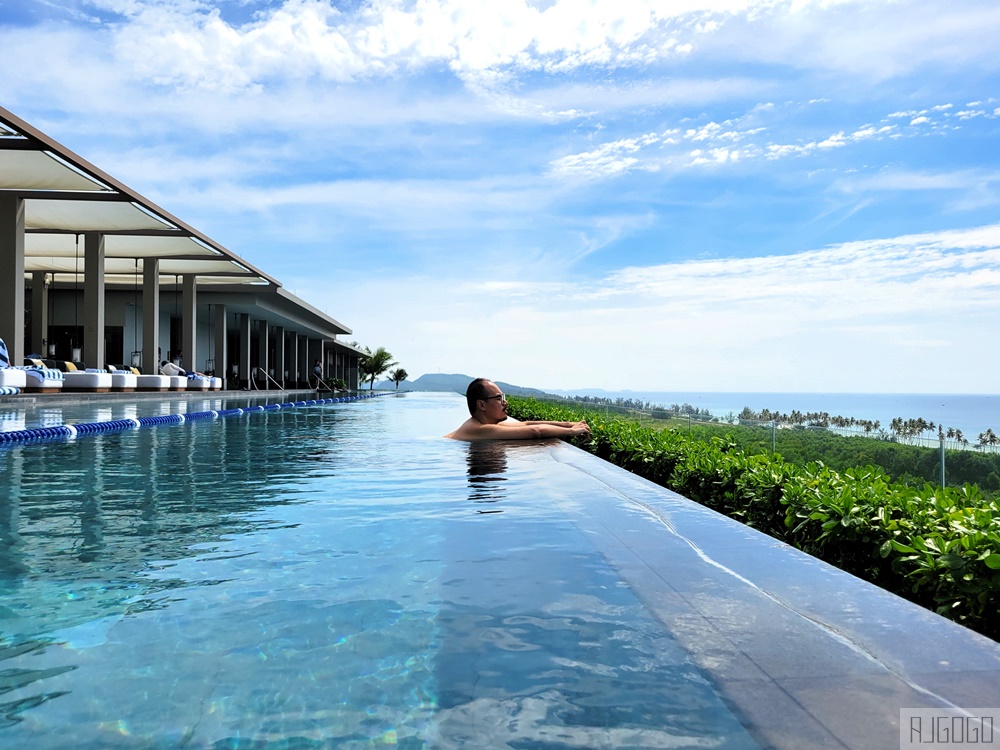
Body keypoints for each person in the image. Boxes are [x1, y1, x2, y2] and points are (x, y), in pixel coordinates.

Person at [446, 378, 591, 441]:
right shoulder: (477, 429)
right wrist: (572, 432)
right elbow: (536, 432)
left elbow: (526, 424)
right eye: (499, 398)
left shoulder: (483, 424)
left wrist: (570, 424)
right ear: (482, 405)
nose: (505, 402)